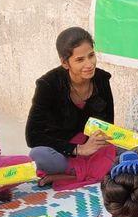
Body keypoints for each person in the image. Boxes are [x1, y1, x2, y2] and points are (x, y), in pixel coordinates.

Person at [24, 27, 115, 189]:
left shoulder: (102, 79)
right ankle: (92, 172)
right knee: (38, 155)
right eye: (80, 60)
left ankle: (71, 175)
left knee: (131, 153)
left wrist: (96, 142)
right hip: (64, 151)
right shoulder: (48, 85)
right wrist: (78, 149)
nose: (89, 64)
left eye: (91, 55)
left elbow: (108, 124)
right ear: (65, 63)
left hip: (93, 149)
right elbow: (32, 136)